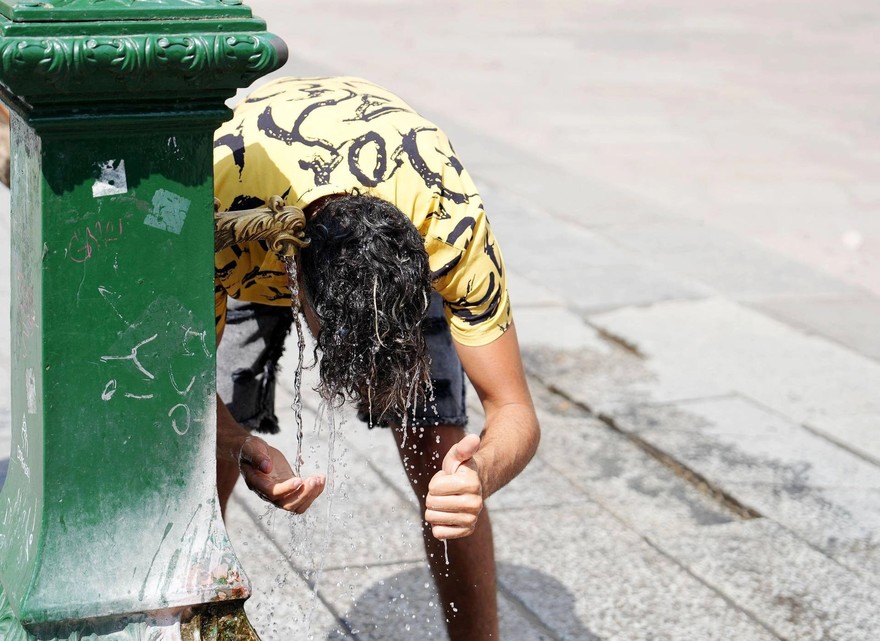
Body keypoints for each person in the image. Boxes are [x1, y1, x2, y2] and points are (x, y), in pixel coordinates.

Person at [213, 76, 540, 640]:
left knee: (442, 459)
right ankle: (187, 617)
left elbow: (515, 408)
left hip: (391, 189)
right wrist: (237, 443)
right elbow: (172, 388)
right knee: (198, 457)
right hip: (253, 210)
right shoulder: (215, 212)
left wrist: (478, 476)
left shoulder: (448, 222)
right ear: (302, 298)